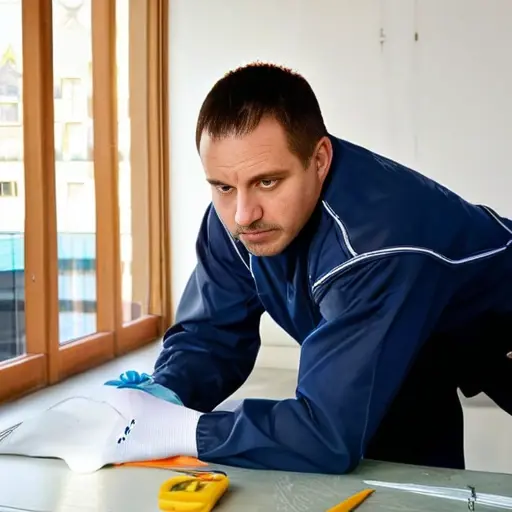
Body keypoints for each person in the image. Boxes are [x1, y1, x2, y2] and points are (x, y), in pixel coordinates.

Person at [141, 62, 512, 474]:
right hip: (425, 344)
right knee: (403, 465)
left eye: (267, 182)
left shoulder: (377, 243)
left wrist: (179, 430)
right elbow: (211, 337)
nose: (243, 214)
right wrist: (157, 399)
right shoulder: (234, 221)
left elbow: (325, 434)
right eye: (224, 186)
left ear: (319, 159)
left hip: (499, 324)